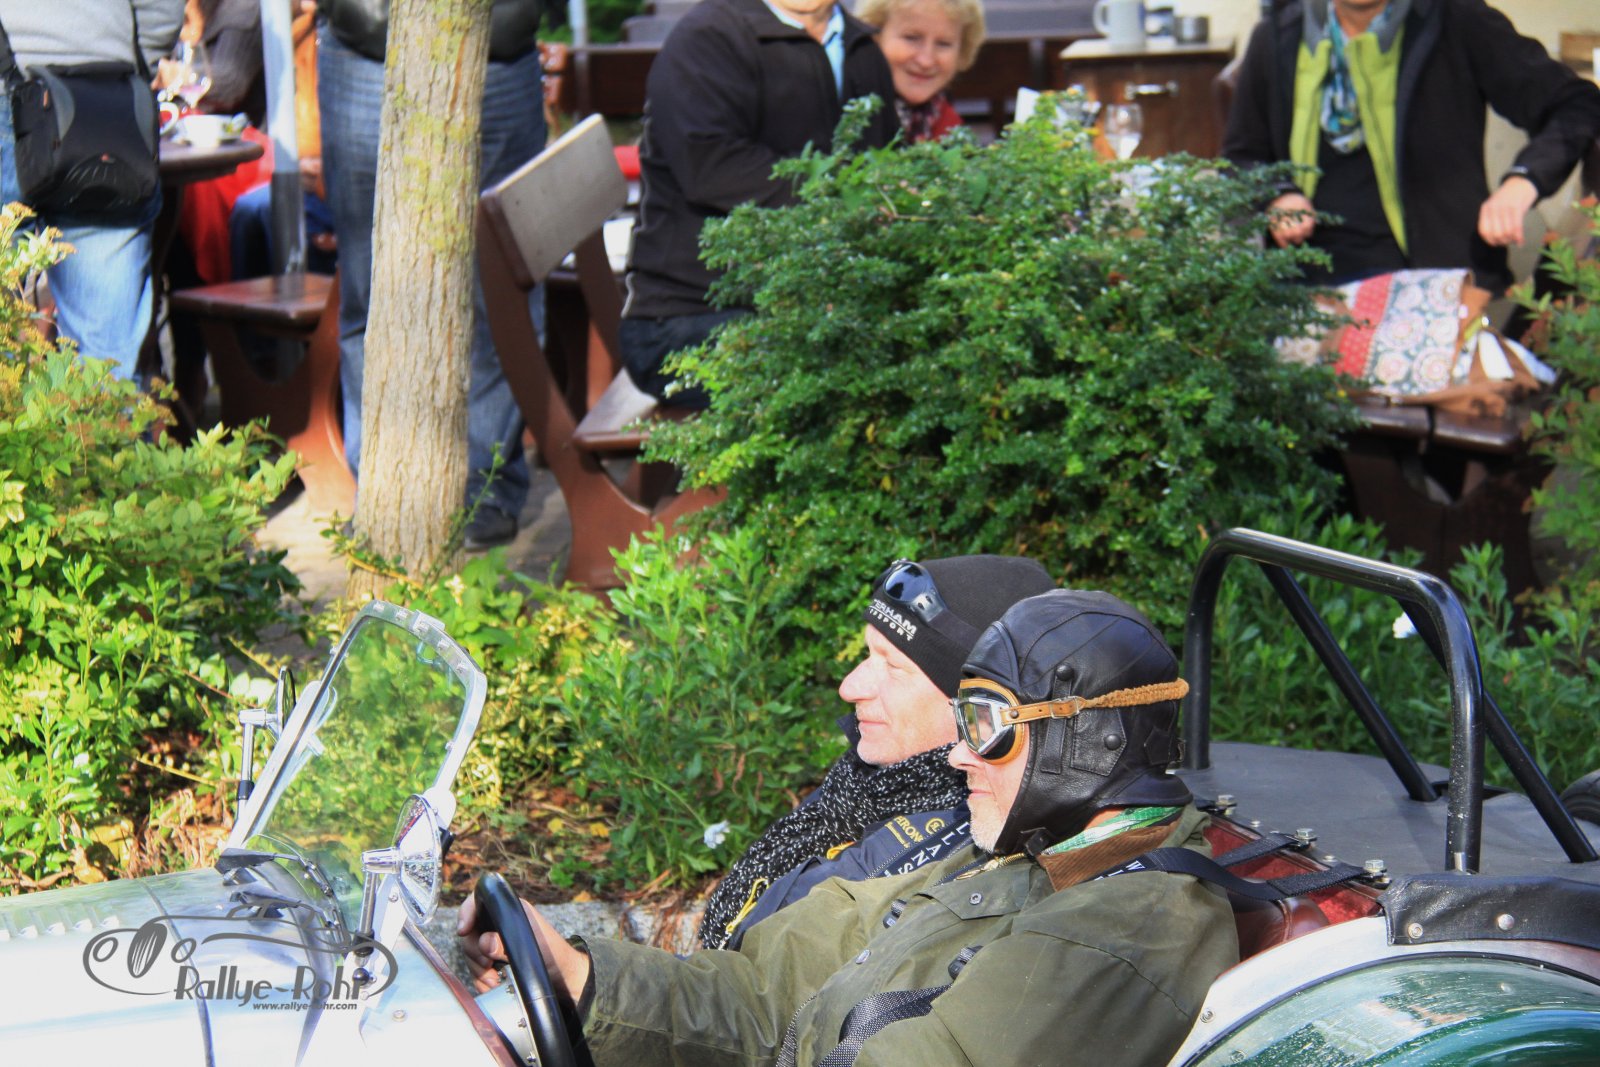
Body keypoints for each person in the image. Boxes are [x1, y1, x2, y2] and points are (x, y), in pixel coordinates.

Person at [460, 588, 1239, 1066]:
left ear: (1090, 739)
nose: (959, 754)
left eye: (987, 724)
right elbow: (766, 995)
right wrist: (578, 976)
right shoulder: (1015, 853)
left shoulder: (1124, 931)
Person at [699, 554, 1056, 949]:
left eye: (894, 667)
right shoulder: (865, 786)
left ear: (975, 702)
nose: (849, 687)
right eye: (869, 655)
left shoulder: (972, 854)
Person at [316, 0, 543, 548]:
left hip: (497, 48)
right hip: (366, 50)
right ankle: (385, 492)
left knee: (497, 292)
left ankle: (485, 486)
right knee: (370, 292)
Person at [618, 0, 900, 407]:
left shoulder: (860, 47)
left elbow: (884, 166)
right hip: (687, 320)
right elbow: (711, 166)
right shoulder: (708, 41)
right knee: (871, 376)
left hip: (814, 310)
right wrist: (848, 194)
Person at [1222, 0, 1600, 290]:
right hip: (1306, 284)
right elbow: (1242, 155)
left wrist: (1523, 180)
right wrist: (1279, 194)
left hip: (1434, 281)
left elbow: (1576, 103)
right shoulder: (1278, 38)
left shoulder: (1455, 20)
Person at [0, 0, 184, 380]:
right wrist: (130, 64)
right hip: (105, 95)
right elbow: (162, 10)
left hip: (23, 85)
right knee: (107, 367)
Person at [855, 0, 985, 143]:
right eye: (911, 38)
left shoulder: (949, 127)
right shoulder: (848, 113)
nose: (926, 61)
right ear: (875, 35)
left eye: (943, 44)